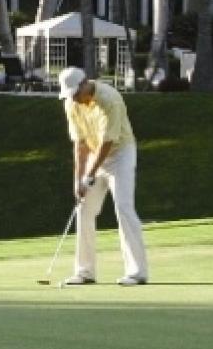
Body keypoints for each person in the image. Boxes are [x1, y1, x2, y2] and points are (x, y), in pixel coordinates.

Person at [57, 66, 149, 287]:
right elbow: (80, 145)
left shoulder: (110, 99)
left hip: (120, 153)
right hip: (94, 152)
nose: (74, 98)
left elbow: (108, 142)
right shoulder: (71, 104)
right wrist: (78, 180)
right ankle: (85, 271)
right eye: (70, 95)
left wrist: (90, 174)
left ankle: (137, 272)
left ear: (85, 83)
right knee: (84, 207)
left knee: (124, 207)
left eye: (76, 93)